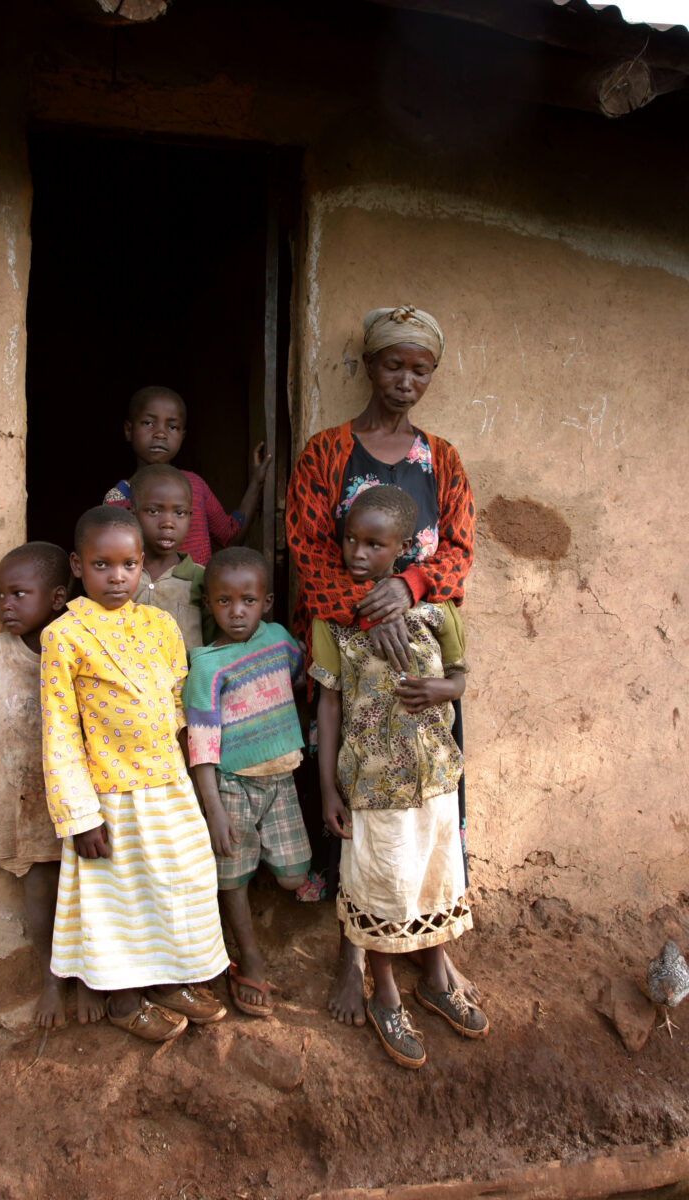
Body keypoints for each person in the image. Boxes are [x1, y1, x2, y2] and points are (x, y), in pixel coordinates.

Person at [286, 304, 478, 1027]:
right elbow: (307, 550)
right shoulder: (326, 453)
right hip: (352, 657)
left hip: (418, 660)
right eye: (393, 364)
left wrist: (412, 587)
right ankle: (357, 956)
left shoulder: (443, 460)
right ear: (369, 366)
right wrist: (374, 611)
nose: (405, 380)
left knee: (428, 811)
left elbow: (459, 549)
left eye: (420, 369)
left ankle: (431, 950)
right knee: (357, 808)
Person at [312, 487, 487, 1069]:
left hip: (435, 778)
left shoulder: (439, 610)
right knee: (383, 886)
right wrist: (329, 788)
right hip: (372, 786)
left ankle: (435, 978)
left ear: (404, 548)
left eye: (374, 544)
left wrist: (441, 690)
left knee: (432, 879)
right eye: (350, 541)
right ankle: (384, 991)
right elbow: (328, 705)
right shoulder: (335, 620)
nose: (358, 554)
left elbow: (460, 679)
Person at [40, 506, 229, 1042]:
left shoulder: (159, 624)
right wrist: (81, 815)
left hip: (168, 784)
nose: (116, 577)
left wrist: (190, 770)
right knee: (118, 898)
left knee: (179, 881)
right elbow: (59, 731)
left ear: (142, 564)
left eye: (128, 564)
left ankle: (169, 980)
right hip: (110, 794)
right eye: (102, 565)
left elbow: (178, 700)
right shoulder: (64, 636)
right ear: (77, 565)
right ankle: (123, 999)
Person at [0, 542, 104, 1029]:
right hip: (25, 804)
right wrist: (6, 764)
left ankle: (89, 977)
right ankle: (52, 979)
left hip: (80, 803)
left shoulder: (77, 644)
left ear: (57, 597)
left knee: (88, 891)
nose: (6, 605)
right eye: (0, 595)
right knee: (40, 895)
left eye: (19, 594)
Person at [183, 547, 311, 1017]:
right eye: (224, 601)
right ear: (208, 604)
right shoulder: (206, 665)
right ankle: (249, 958)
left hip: (283, 779)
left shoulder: (279, 640)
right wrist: (213, 808)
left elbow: (299, 676)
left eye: (248, 601)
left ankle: (261, 865)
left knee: (294, 876)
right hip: (233, 785)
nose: (236, 612)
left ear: (267, 602)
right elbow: (200, 742)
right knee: (231, 878)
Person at [103, 384, 271, 565]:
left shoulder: (195, 486)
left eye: (172, 427)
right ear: (129, 430)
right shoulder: (117, 499)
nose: (160, 434)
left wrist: (256, 483)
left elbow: (230, 537)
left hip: (196, 585)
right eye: (149, 423)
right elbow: (110, 561)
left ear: (182, 436)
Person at [128, 463, 216, 650]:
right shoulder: (119, 575)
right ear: (132, 514)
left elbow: (213, 646)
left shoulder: (201, 579)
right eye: (154, 511)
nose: (168, 523)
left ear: (190, 517)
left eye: (179, 513)